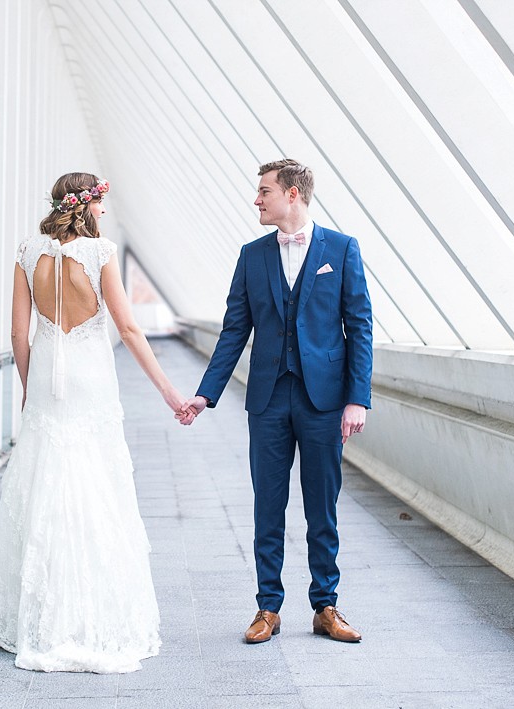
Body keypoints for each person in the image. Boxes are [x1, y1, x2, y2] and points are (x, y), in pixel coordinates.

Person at [0, 172, 192, 673]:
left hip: (48, 384)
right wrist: (171, 394)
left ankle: (40, 615)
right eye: (101, 204)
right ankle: (93, 612)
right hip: (90, 382)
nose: (104, 212)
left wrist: (30, 387)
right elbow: (128, 327)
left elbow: (18, 331)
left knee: (44, 485)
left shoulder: (27, 253)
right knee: (98, 482)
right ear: (90, 204)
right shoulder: (100, 254)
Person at [178, 159, 372, 644]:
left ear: (292, 194)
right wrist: (206, 393)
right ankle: (268, 607)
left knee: (321, 505)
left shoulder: (342, 249)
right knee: (269, 502)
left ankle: (326, 606)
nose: (257, 199)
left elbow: (360, 326)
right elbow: (234, 330)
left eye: (264, 191)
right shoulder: (252, 255)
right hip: (267, 398)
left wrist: (357, 399)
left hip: (324, 400)